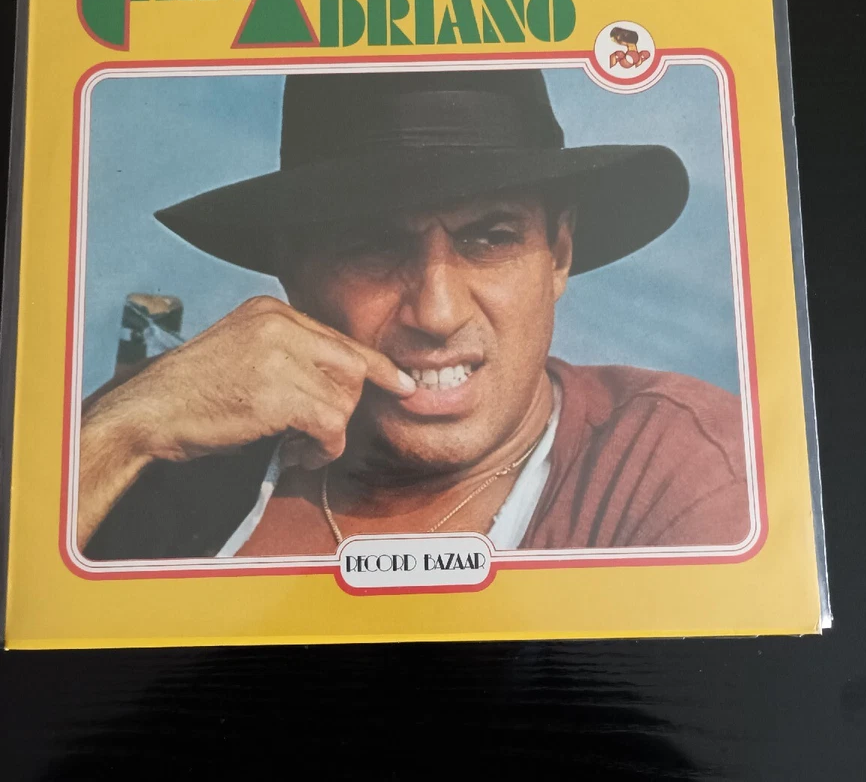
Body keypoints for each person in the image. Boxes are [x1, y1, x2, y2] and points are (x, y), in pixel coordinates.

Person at [78, 69, 750, 559]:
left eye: (489, 239)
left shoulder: (673, 464)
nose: (437, 312)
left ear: (560, 255)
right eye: (375, 246)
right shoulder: (168, 437)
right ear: (294, 271)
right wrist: (120, 431)